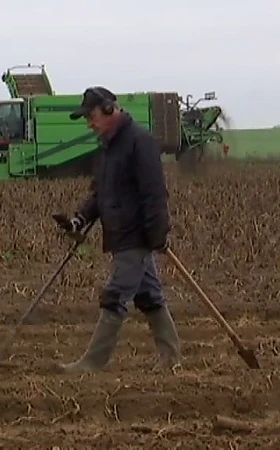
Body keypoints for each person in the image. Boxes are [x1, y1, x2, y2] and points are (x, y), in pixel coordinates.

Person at [56, 86, 180, 373]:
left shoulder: (140, 142)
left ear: (110, 110)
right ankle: (171, 357)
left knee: (114, 296)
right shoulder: (107, 147)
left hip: (136, 235)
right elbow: (100, 194)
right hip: (120, 234)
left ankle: (91, 363)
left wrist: (158, 234)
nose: (89, 123)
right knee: (149, 296)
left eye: (92, 116)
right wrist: (79, 220)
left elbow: (154, 194)